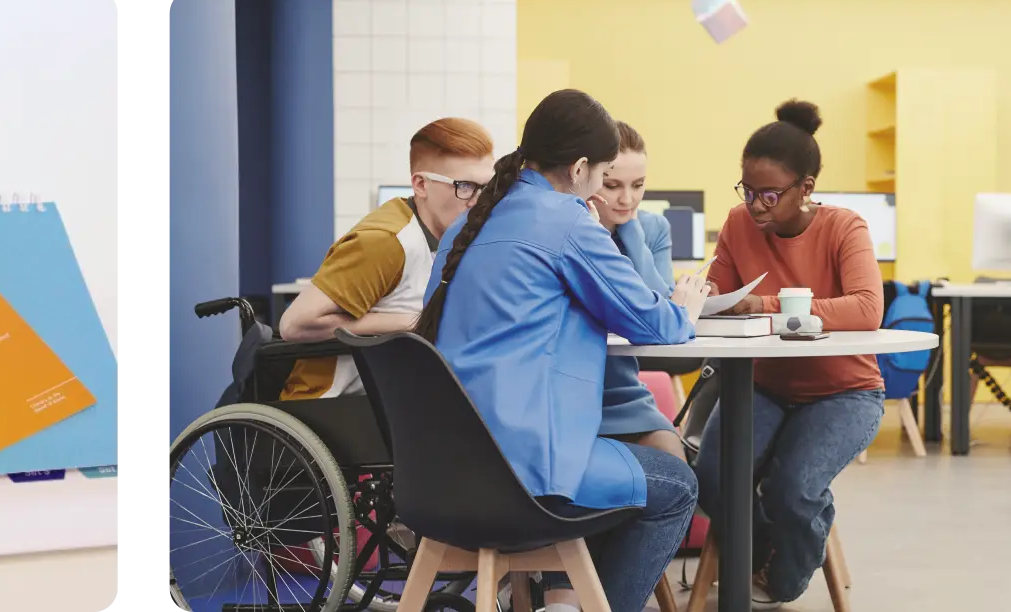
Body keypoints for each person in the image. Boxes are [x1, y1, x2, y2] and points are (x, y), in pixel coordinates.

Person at [416, 90, 705, 612]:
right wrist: (683, 305)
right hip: (524, 477)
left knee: (624, 458)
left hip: (442, 474)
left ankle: (563, 601)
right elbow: (653, 321)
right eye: (603, 174)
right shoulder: (568, 222)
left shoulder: (466, 226)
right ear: (579, 168)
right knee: (677, 484)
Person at [693, 101, 883, 607]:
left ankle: (784, 577)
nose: (756, 206)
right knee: (711, 479)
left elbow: (867, 309)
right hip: (764, 386)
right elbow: (722, 295)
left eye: (770, 195)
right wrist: (696, 294)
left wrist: (767, 305)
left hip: (845, 393)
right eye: (748, 192)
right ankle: (765, 552)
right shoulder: (738, 224)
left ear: (807, 188)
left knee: (795, 490)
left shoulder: (845, 228)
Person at [279, 117, 497, 396]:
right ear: (421, 185)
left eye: (487, 188)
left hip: (390, 399)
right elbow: (294, 324)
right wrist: (410, 323)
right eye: (464, 186)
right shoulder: (387, 242)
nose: (478, 201)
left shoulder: (449, 238)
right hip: (332, 405)